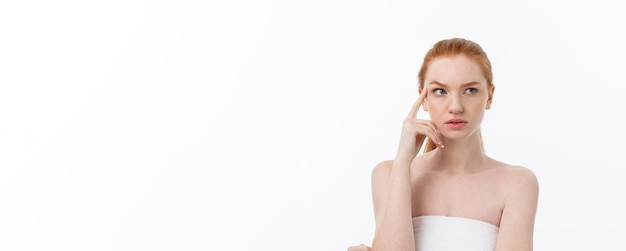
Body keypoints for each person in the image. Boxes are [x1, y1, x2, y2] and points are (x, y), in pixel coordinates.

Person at [347, 38, 539, 251]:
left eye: (470, 90)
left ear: (490, 96)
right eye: (440, 91)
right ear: (424, 98)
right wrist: (403, 161)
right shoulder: (388, 174)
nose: (455, 106)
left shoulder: (517, 184)